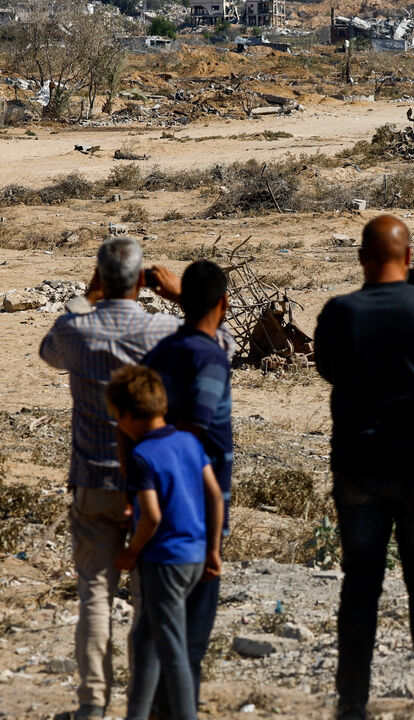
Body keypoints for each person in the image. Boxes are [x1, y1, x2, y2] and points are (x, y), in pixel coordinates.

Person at [314, 214, 414, 720]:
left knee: (360, 584)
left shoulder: (340, 312)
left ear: (362, 259)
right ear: (409, 259)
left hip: (360, 468)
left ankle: (351, 705)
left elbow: (326, 369)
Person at [37, 237, 207, 720]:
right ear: (140, 281)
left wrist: (85, 299)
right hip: (154, 484)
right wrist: (178, 298)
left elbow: (49, 348)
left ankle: (92, 704)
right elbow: (220, 343)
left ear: (99, 278)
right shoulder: (163, 330)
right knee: (150, 601)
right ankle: (148, 704)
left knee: (95, 593)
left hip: (93, 478)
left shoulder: (78, 332)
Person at [105, 365, 222, 720]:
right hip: (194, 555)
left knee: (172, 651)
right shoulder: (188, 441)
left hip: (163, 561)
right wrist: (213, 550)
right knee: (145, 638)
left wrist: (131, 551)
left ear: (127, 415)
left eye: (117, 420)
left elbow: (152, 516)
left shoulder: (142, 456)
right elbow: (215, 496)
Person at [142, 260, 232, 716]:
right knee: (189, 641)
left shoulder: (158, 355)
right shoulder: (211, 357)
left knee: (157, 634)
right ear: (224, 303)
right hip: (197, 513)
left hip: (154, 502)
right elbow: (196, 430)